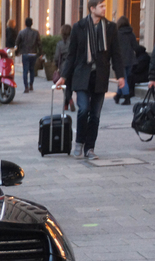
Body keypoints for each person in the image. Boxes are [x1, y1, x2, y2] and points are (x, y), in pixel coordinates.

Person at [56, 0, 124, 160]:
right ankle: (79, 142)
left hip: (100, 76)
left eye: (105, 6)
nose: (105, 9)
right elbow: (71, 55)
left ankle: (90, 148)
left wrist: (120, 75)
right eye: (102, 6)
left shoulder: (110, 27)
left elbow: (116, 53)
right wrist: (63, 77)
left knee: (95, 115)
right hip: (82, 75)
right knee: (84, 109)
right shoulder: (79, 27)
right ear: (92, 8)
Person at [113, 16, 138, 105]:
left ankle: (127, 98)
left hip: (120, 60)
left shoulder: (117, 34)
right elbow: (135, 46)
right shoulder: (131, 34)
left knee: (123, 78)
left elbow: (114, 47)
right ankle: (118, 96)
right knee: (124, 78)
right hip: (130, 59)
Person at [15, 17, 41, 93]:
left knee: (25, 70)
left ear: (25, 24)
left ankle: (26, 87)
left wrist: (17, 52)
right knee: (32, 69)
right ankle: (31, 84)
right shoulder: (36, 33)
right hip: (33, 53)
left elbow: (17, 43)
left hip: (25, 53)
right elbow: (39, 44)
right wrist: (40, 53)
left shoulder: (21, 32)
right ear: (32, 24)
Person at [55, 24, 76, 112]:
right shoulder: (74, 42)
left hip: (64, 66)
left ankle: (69, 100)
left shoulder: (60, 44)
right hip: (74, 66)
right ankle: (66, 104)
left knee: (65, 86)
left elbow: (56, 57)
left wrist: (57, 67)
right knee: (70, 85)